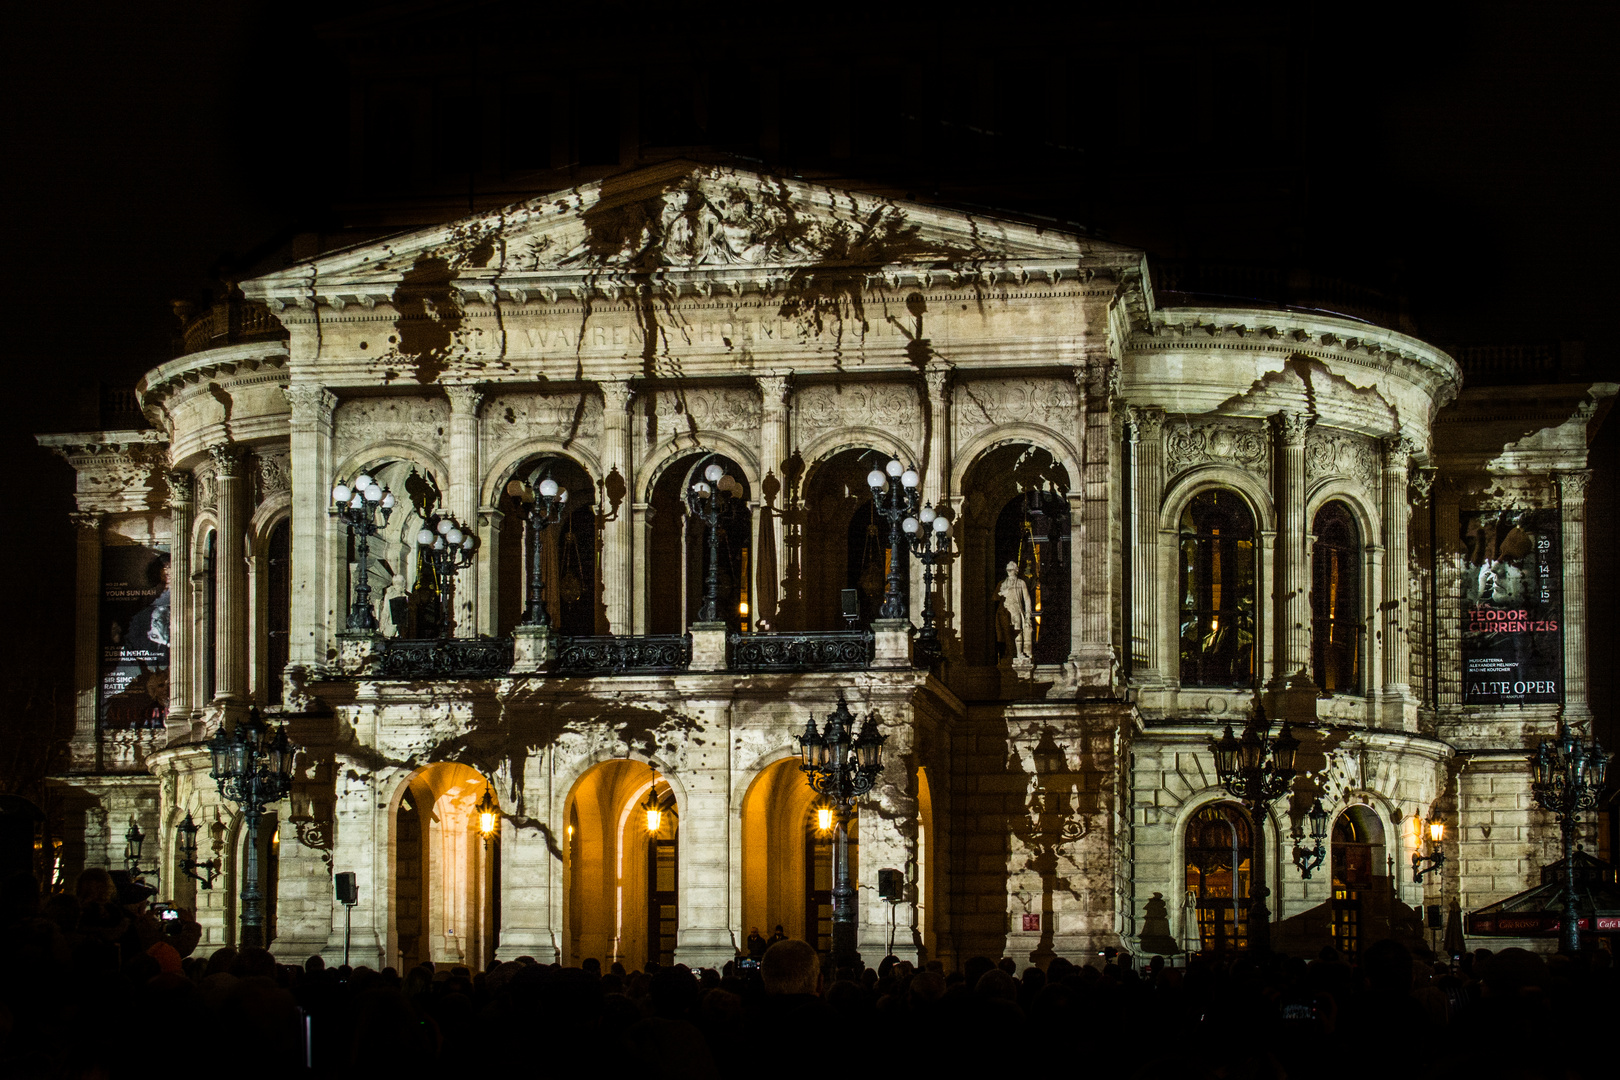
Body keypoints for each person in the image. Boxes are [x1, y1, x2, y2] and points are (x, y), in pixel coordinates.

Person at [997, 561, 1033, 661]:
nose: (1009, 572)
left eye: (1011, 570)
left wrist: (1028, 614)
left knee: (1018, 631)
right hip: (1006, 610)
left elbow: (1026, 599)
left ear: (1016, 571)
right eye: (1008, 570)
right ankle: (1010, 652)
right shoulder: (1003, 583)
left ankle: (1019, 653)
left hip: (1016, 609)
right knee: (1006, 633)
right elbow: (996, 596)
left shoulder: (1021, 583)